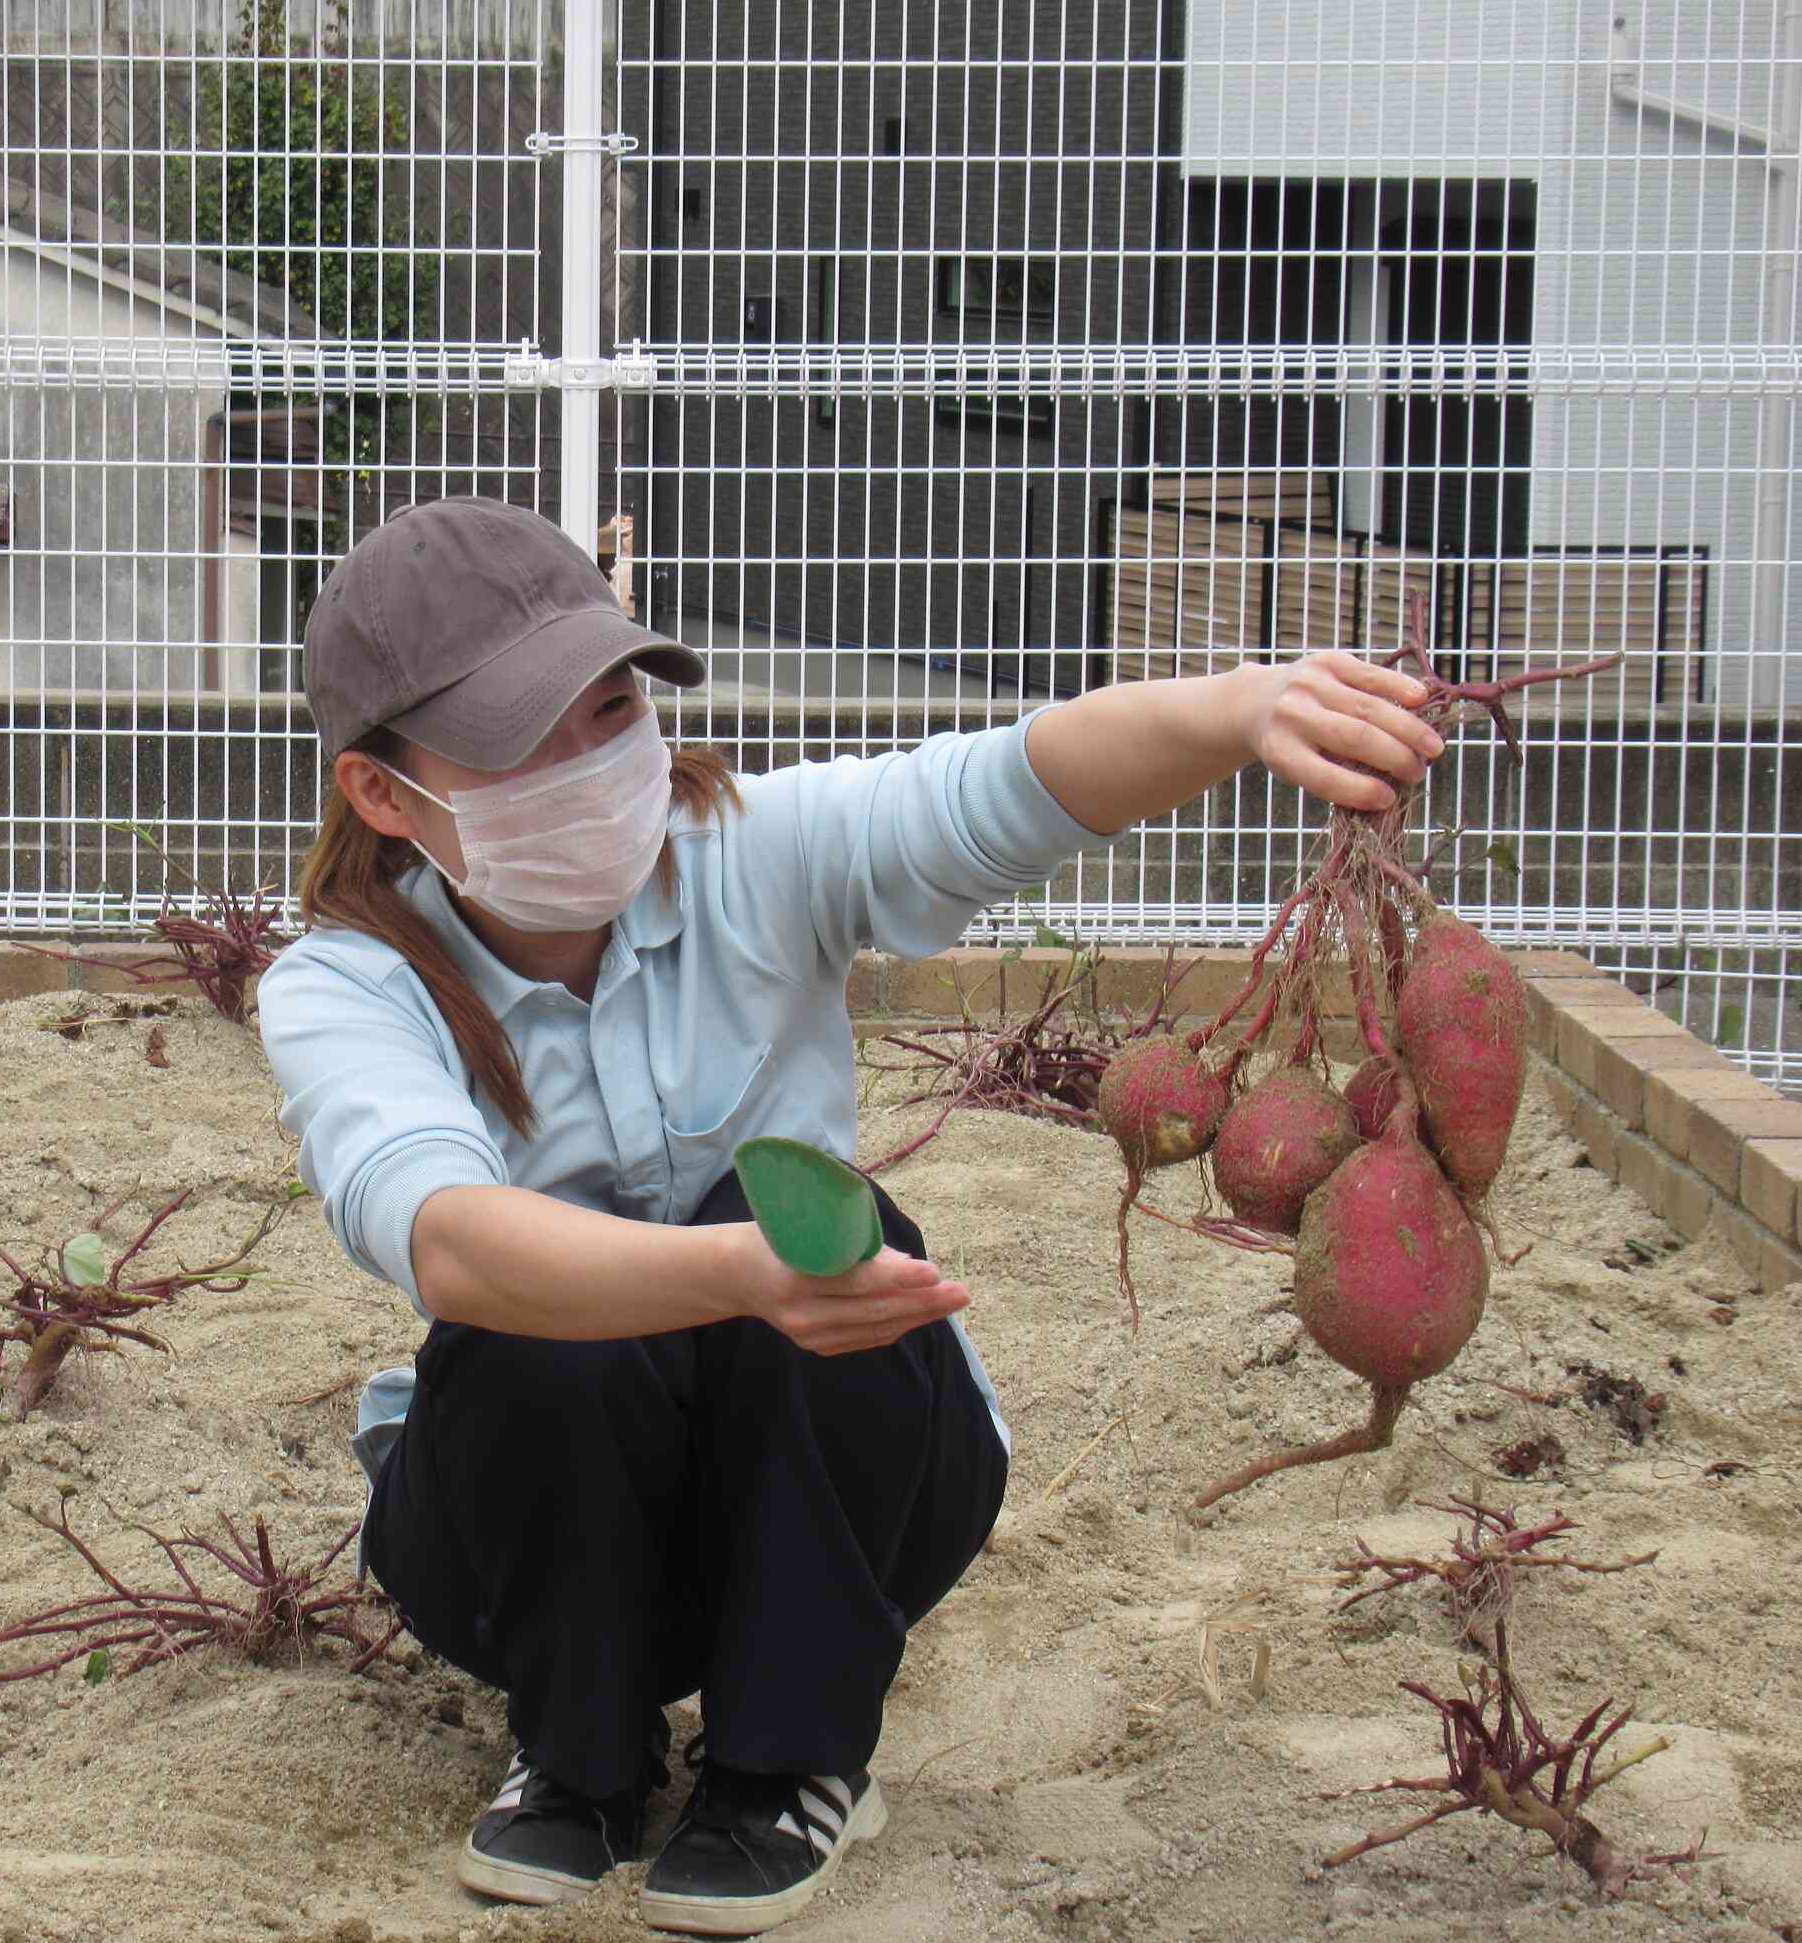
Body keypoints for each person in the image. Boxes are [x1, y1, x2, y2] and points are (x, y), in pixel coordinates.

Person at [256, 496, 1441, 1937]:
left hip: (833, 1491)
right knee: (530, 1297)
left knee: (830, 1222)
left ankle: (788, 1763)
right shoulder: (347, 984)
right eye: (520, 742)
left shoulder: (754, 854)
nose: (592, 765)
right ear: (385, 795)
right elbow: (439, 1231)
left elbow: (1006, 786)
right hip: (528, 1535)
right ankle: (581, 1760)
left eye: (611, 708)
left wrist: (1242, 708)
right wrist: (734, 1275)